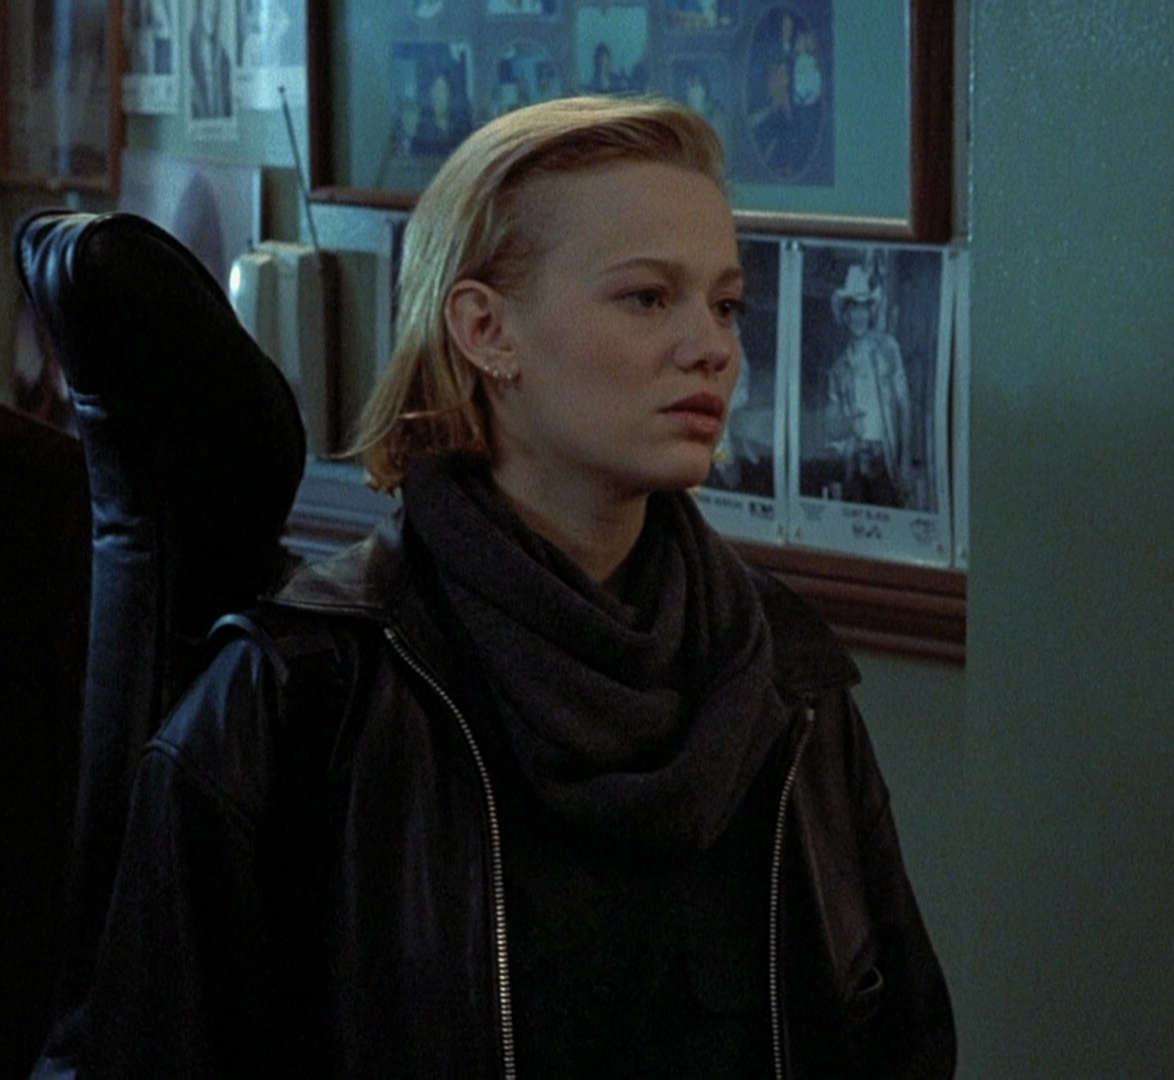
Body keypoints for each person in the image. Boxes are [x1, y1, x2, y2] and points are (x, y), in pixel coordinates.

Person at [59, 95, 954, 1076]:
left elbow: (899, 1043)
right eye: (648, 297)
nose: (713, 347)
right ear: (487, 330)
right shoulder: (305, 695)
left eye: (725, 304)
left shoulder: (786, 679)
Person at [826, 262, 913, 507]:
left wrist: (905, 460)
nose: (858, 317)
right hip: (854, 461)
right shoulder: (838, 368)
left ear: (870, 312)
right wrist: (847, 425)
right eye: (853, 309)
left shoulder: (888, 349)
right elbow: (830, 425)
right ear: (845, 315)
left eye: (863, 308)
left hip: (885, 460)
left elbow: (905, 407)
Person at [187, 0, 232, 119]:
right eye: (210, 3)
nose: (213, 9)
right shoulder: (187, 52)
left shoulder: (223, 60)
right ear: (199, 7)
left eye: (216, 4)